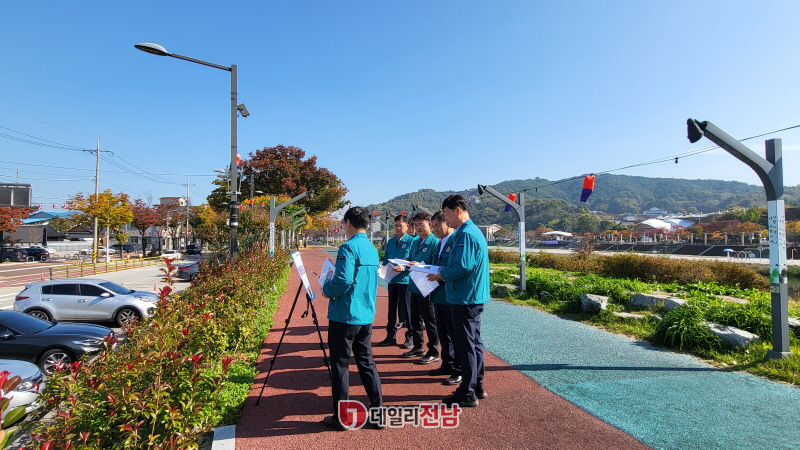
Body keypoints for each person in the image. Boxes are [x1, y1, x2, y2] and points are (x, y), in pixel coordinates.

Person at [321, 206, 383, 430]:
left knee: (340, 366)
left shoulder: (348, 247)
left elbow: (343, 281)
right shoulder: (372, 249)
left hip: (345, 314)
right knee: (367, 363)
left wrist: (327, 289)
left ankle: (341, 417)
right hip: (365, 314)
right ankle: (378, 413)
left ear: (348, 223)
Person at [429, 195, 489, 408]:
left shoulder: (466, 235)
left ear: (457, 210)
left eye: (446, 214)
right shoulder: (468, 232)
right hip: (468, 295)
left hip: (465, 296)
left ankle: (467, 392)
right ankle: (477, 385)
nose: (446, 218)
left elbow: (462, 266)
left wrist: (441, 274)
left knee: (466, 345)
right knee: (473, 342)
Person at [427, 211, 461, 385]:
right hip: (438, 294)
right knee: (443, 333)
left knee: (455, 334)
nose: (435, 229)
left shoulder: (455, 241)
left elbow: (455, 268)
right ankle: (447, 363)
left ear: (447, 223)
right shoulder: (439, 243)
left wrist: (439, 274)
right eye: (433, 226)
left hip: (449, 295)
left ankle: (458, 369)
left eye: (437, 226)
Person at [404, 212, 440, 363]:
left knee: (430, 320)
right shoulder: (415, 242)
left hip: (427, 286)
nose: (418, 227)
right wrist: (404, 264)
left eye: (421, 224)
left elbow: (437, 266)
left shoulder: (435, 243)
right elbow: (411, 259)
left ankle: (433, 350)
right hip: (414, 284)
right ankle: (418, 346)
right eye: (416, 224)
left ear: (429, 225)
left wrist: (420, 265)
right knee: (415, 318)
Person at [375, 215, 414, 348]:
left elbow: (415, 262)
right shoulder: (391, 241)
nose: (397, 228)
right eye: (396, 225)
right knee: (391, 310)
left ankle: (410, 337)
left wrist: (404, 267)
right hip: (391, 280)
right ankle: (391, 336)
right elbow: (387, 257)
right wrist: (383, 265)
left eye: (400, 226)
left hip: (405, 281)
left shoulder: (413, 242)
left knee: (408, 310)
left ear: (407, 226)